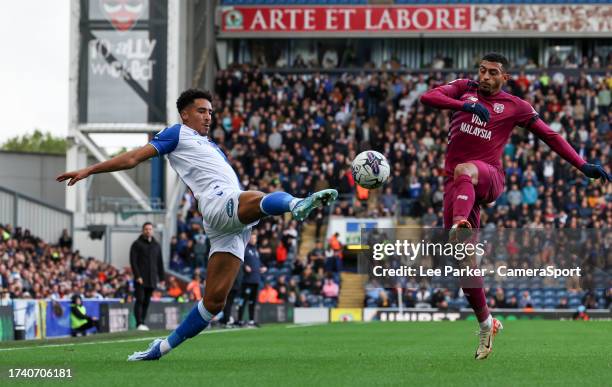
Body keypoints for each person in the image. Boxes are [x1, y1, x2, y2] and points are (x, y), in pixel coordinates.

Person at [56, 89, 337, 361]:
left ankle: (162, 347)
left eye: (210, 112)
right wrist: (89, 169)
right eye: (201, 111)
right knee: (257, 197)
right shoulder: (176, 133)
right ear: (185, 114)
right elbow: (132, 158)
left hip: (231, 229)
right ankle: (296, 204)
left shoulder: (212, 146)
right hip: (217, 204)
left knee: (214, 302)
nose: (208, 117)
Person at [420, 52, 611, 360]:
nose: (484, 76)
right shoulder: (463, 89)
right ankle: (486, 323)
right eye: (481, 70)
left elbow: (549, 135)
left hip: (489, 177)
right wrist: (465, 105)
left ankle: (459, 226)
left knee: (464, 170)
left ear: (504, 78)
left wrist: (581, 164)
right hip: (457, 188)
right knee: (464, 264)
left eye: (492, 72)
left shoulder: (515, 107)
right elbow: (428, 97)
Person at [129, 222, 165, 331]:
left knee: (147, 301)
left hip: (152, 279)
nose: (148, 231)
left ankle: (143, 322)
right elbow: (133, 261)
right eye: (146, 229)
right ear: (143, 230)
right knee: (140, 299)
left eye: (150, 229)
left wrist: (162, 278)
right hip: (140, 279)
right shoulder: (137, 244)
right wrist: (137, 276)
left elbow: (160, 263)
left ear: (152, 231)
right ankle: (139, 323)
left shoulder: (156, 245)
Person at [238, 233, 267, 327]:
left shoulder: (255, 250)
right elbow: (239, 260)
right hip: (247, 280)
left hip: (256, 279)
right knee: (243, 300)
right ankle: (240, 320)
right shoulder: (244, 249)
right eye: (252, 238)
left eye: (255, 238)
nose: (254, 239)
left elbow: (258, 262)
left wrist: (263, 267)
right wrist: (245, 266)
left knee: (253, 302)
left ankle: (251, 320)